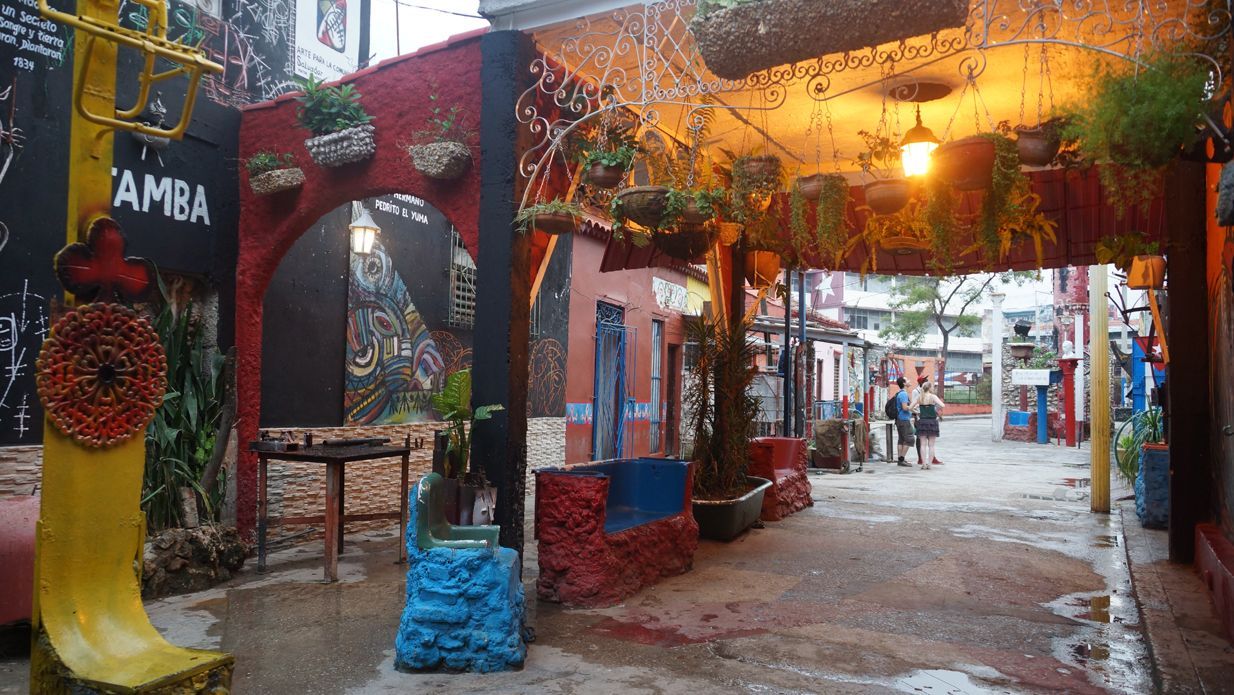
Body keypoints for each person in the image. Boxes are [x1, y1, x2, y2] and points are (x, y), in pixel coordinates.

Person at [910, 375, 944, 466]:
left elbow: (910, 407)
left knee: (922, 444)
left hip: (922, 421)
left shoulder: (919, 397)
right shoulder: (932, 396)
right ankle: (929, 463)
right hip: (932, 421)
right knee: (931, 445)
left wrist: (917, 412)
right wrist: (934, 407)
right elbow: (942, 405)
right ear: (929, 388)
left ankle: (923, 463)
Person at [893, 377, 914, 467]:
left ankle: (900, 459)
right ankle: (901, 459)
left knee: (901, 440)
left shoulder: (899, 393)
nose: (909, 381)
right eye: (907, 380)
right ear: (904, 383)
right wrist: (913, 406)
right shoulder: (904, 394)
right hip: (904, 419)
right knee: (909, 439)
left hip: (900, 419)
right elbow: (905, 408)